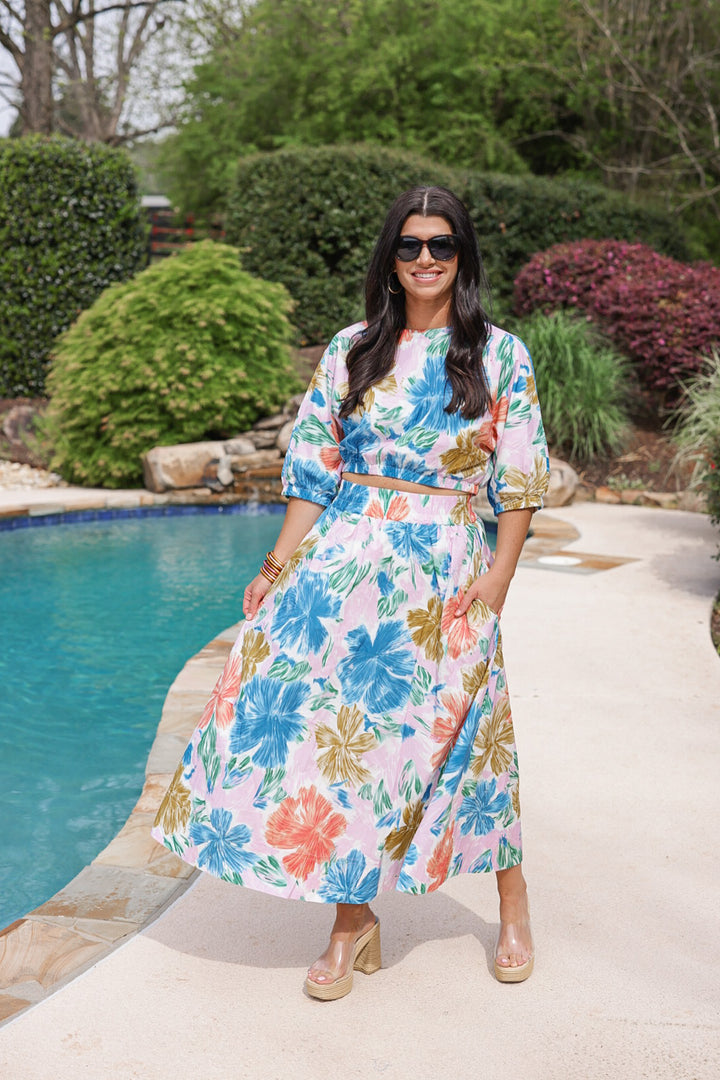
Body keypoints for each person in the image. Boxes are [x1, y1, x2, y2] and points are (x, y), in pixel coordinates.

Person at [152, 185, 550, 1000]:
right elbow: (313, 467)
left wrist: (500, 573)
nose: (426, 259)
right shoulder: (353, 348)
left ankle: (513, 905)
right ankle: (351, 920)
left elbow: (520, 477)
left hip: (443, 571)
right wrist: (274, 568)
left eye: (442, 245)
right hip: (344, 563)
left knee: (472, 738)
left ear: (463, 256)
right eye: (410, 245)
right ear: (391, 258)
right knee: (345, 747)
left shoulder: (500, 354)